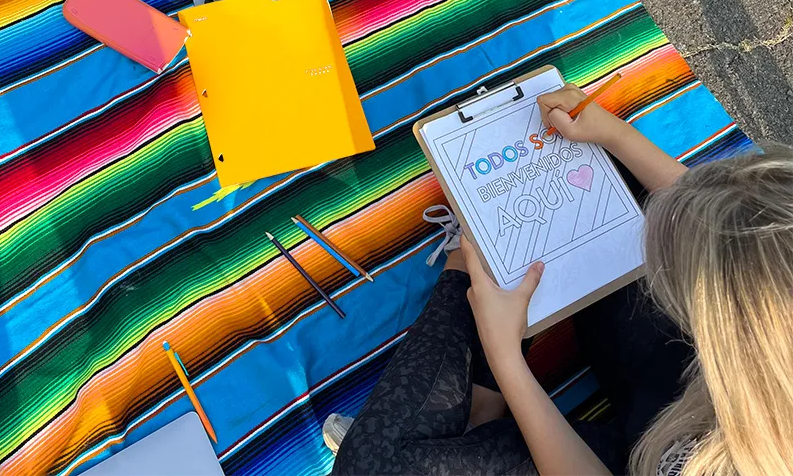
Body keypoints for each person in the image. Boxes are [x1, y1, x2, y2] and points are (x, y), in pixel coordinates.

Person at [323, 84, 793, 475]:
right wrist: (613, 132)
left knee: (374, 465)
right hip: (684, 382)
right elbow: (721, 223)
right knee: (604, 184)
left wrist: (507, 361)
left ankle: (468, 283)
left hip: (634, 453)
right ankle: (478, 406)